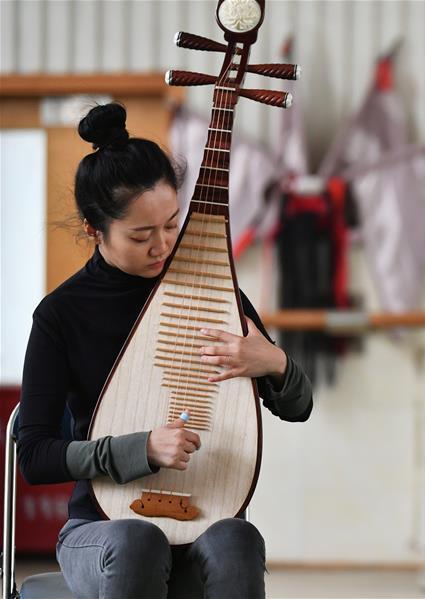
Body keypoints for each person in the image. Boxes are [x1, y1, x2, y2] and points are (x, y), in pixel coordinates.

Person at [17, 103, 313, 598]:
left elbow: (299, 409)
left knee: (238, 538)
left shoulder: (214, 294)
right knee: (139, 540)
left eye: (172, 225)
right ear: (94, 230)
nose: (162, 246)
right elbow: (36, 456)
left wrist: (276, 364)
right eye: (141, 234)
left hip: (206, 516)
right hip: (104, 528)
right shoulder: (61, 315)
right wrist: (141, 449)